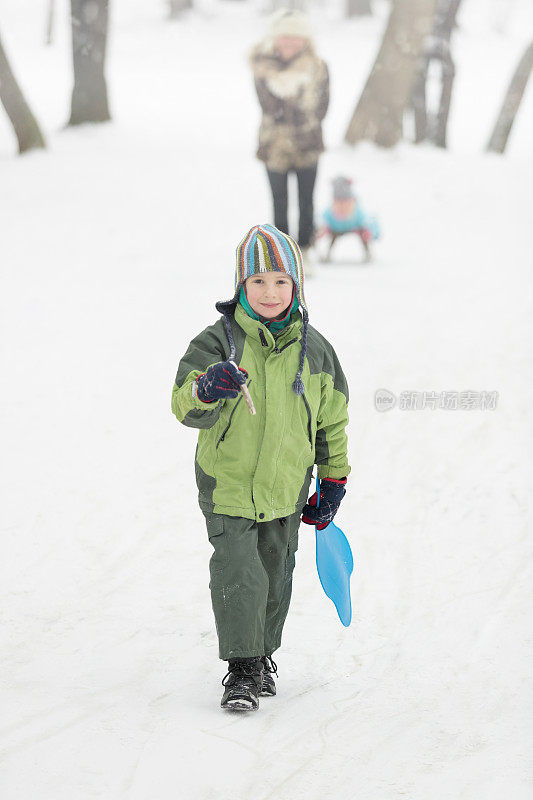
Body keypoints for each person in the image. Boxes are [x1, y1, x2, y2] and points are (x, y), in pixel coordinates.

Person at [171, 224, 350, 711]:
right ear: (240, 286)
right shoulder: (217, 344)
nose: (270, 293)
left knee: (275, 573)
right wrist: (208, 387)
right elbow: (184, 405)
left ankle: (262, 655)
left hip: (287, 486)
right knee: (239, 572)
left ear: (296, 286)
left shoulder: (316, 351)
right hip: (228, 484)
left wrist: (334, 478)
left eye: (280, 282)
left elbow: (332, 420)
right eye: (258, 282)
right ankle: (243, 667)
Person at [250, 9, 329, 273]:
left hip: (308, 144)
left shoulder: (318, 68)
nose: (290, 43)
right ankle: (282, 255)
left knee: (307, 200)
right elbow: (269, 106)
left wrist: (300, 119)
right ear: (276, 38)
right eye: (285, 37)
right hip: (274, 146)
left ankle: (306, 249)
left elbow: (322, 106)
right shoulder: (262, 68)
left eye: (296, 37)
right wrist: (292, 107)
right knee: (279, 200)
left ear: (305, 40)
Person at [317, 176, 381, 263]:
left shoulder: (358, 213)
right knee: (331, 237)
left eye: (346, 203)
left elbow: (370, 222)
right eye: (338, 203)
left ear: (352, 202)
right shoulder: (329, 213)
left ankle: (368, 252)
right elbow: (320, 220)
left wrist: (370, 232)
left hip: (355, 227)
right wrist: (322, 229)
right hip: (335, 229)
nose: (342, 206)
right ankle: (327, 254)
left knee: (364, 233)